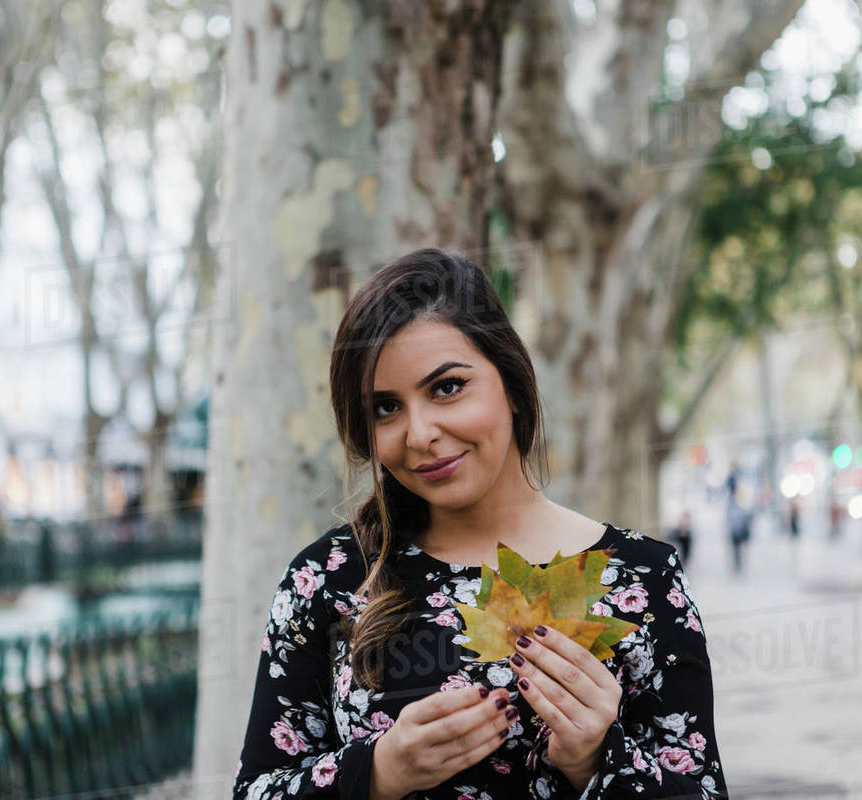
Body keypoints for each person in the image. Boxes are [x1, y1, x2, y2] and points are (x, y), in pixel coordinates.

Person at [232, 250, 728, 799]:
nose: (419, 433)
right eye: (385, 409)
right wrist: (377, 773)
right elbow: (258, 790)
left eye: (447, 387)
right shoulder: (327, 580)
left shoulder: (644, 580)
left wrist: (597, 760)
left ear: (512, 385)